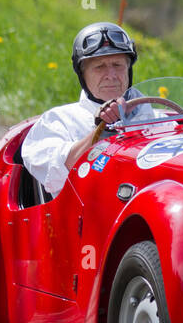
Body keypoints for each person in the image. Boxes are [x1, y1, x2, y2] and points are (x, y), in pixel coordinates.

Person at [21, 21, 153, 196]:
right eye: (99, 67)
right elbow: (56, 174)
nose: (111, 76)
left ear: (129, 69)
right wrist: (102, 128)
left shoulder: (155, 116)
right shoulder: (57, 121)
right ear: (82, 74)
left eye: (117, 65)